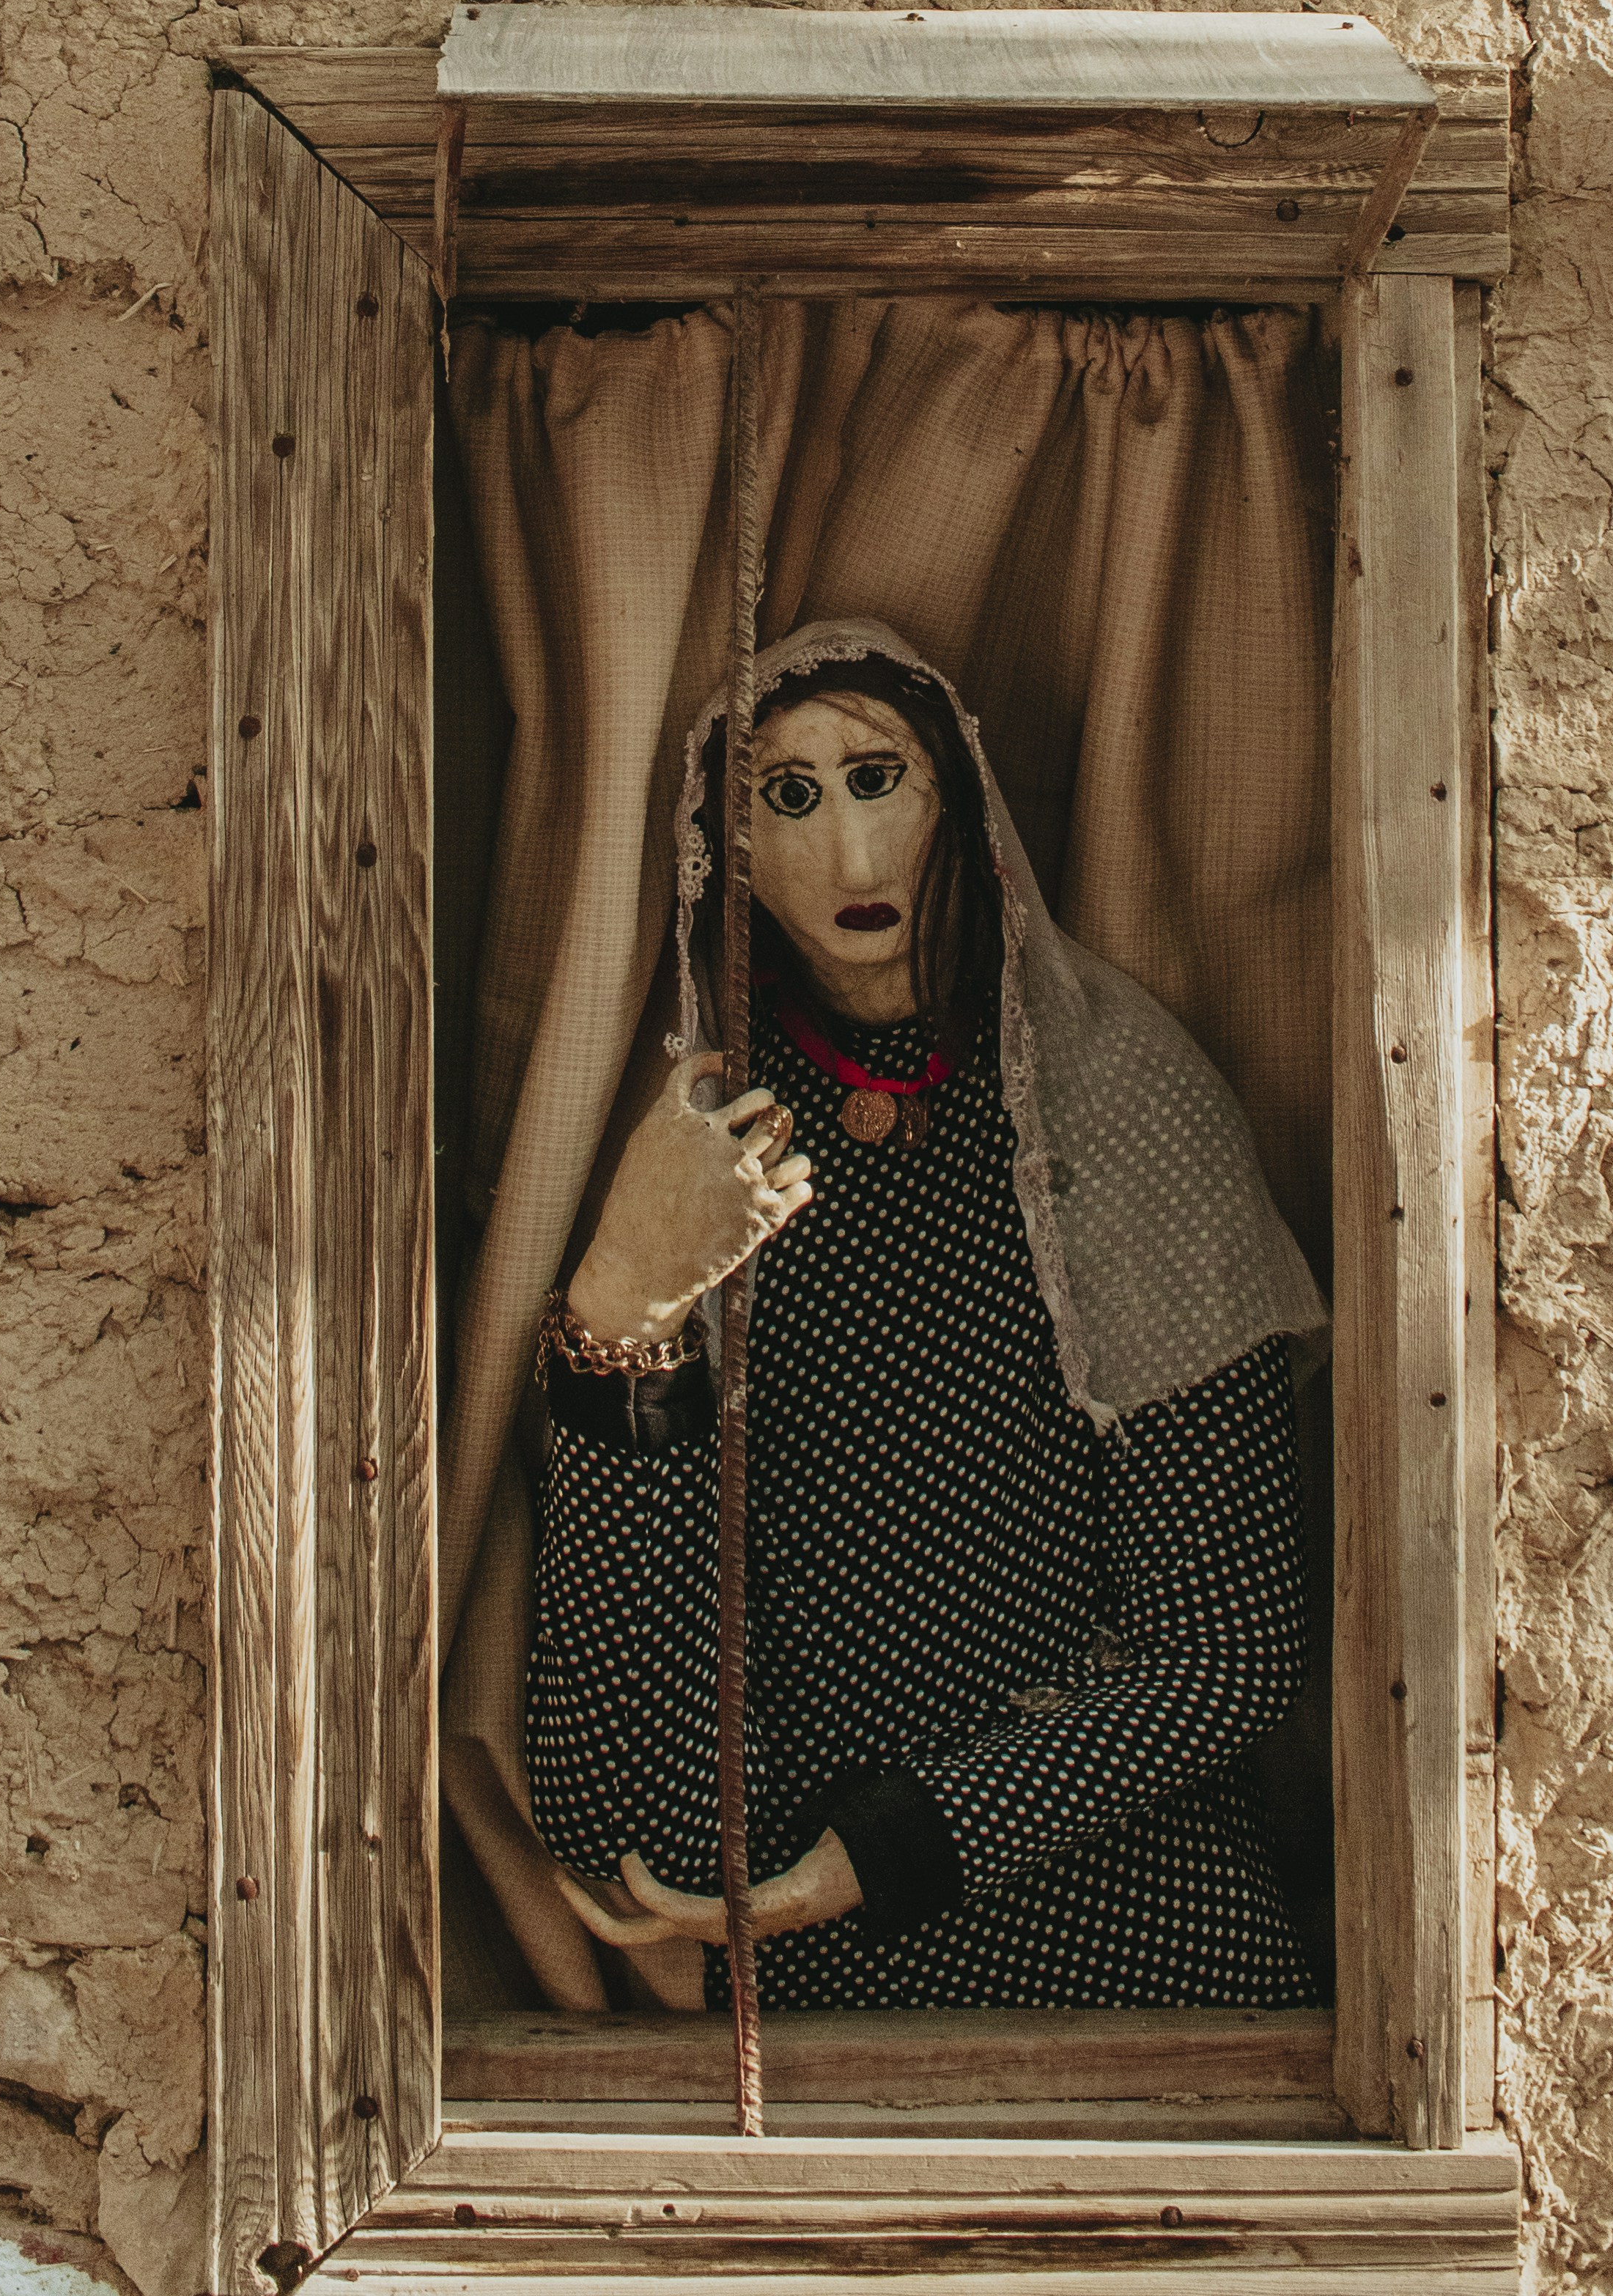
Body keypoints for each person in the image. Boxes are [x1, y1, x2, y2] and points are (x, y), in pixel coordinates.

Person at [523, 619, 1326, 2010]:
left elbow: (1229, 1650)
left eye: (876, 778)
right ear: (726, 850)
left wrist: (885, 1855)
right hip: (828, 2015)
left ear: (960, 795)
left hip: (1150, 1958)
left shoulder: (1115, 1103)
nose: (849, 854)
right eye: (787, 794)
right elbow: (617, 1808)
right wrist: (621, 1308)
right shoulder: (701, 1151)